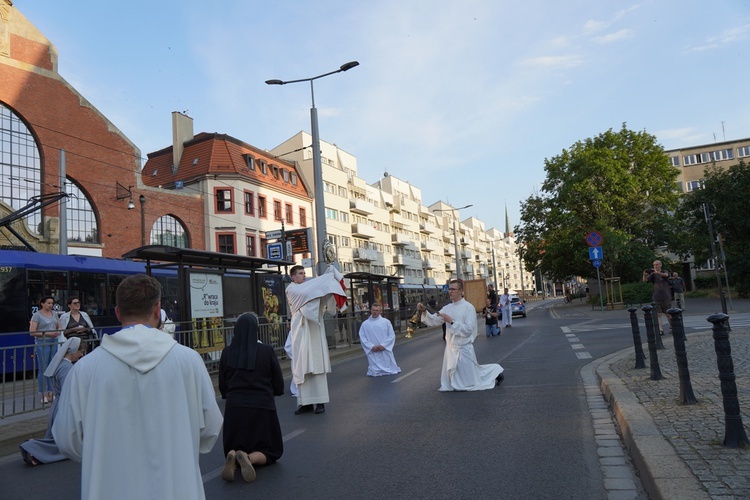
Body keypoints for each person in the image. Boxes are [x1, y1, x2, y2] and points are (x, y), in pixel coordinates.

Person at [52, 274, 223, 500]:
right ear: (157, 309)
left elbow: (66, 439)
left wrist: (103, 449)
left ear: (118, 312)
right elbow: (210, 427)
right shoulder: (189, 360)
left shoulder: (85, 369)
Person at [219, 313, 284, 483]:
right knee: (271, 450)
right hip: (262, 408)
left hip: (235, 410)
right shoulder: (266, 351)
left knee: (234, 444)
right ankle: (250, 458)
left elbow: (223, 386)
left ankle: (233, 454)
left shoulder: (226, 353)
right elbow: (278, 384)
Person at [417, 280, 504, 391]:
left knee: (472, 381)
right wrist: (424, 311)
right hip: (451, 350)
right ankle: (493, 372)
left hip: (463, 349)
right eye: (449, 289)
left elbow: (468, 330)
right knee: (455, 382)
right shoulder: (447, 308)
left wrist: (452, 322)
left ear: (461, 291)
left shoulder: (468, 308)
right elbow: (435, 320)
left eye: (453, 289)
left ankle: (496, 371)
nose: (450, 292)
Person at [286, 265, 347, 415]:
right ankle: (305, 403)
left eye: (304, 273)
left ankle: (320, 402)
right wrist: (325, 278)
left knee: (316, 364)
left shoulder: (308, 288)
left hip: (314, 328)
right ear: (293, 277)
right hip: (301, 330)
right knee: (302, 365)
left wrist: (329, 278)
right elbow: (309, 293)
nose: (304, 275)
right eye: (300, 273)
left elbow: (319, 296)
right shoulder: (292, 289)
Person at [20, 337, 84, 466]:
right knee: (65, 445)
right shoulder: (67, 367)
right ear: (73, 350)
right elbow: (69, 391)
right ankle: (32, 448)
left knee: (56, 439)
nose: (81, 355)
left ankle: (33, 445)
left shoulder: (59, 364)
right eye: (80, 351)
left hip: (56, 406)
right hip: (64, 407)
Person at [29, 296, 61, 404]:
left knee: (53, 367)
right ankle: (43, 393)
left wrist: (58, 331)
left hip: (54, 341)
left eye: (52, 303)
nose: (51, 305)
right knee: (43, 368)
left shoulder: (54, 314)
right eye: (48, 303)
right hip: (43, 342)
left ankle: (52, 392)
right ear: (42, 304)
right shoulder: (37, 315)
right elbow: (32, 332)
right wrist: (48, 334)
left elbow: (59, 326)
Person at [358, 303, 401, 377]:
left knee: (388, 365)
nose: (375, 312)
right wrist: (371, 346)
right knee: (374, 368)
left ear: (380, 311)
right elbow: (362, 337)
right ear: (370, 311)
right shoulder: (365, 324)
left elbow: (391, 335)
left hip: (384, 349)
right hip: (373, 350)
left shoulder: (386, 322)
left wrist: (384, 345)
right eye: (373, 310)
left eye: (377, 310)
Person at [643, 260, 672, 335]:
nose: (655, 266)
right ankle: (660, 329)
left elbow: (666, 275)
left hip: (666, 295)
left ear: (660, 265)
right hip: (656, 296)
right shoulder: (653, 274)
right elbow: (645, 281)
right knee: (658, 314)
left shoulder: (664, 271)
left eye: (657, 264)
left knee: (668, 313)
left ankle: (671, 327)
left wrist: (657, 272)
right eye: (654, 265)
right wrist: (645, 274)